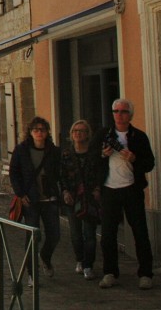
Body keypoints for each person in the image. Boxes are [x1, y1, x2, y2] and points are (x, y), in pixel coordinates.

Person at [92, 98, 156, 290]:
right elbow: (91, 158)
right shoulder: (103, 134)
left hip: (132, 189)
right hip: (109, 190)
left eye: (123, 111)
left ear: (130, 115)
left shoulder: (139, 136)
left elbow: (150, 163)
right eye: (116, 111)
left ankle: (145, 274)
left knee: (140, 232)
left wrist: (135, 158)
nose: (119, 115)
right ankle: (110, 272)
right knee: (108, 234)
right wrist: (103, 154)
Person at [9, 116, 62, 280]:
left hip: (49, 198)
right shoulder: (21, 150)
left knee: (54, 234)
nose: (39, 133)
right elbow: (14, 172)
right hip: (30, 199)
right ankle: (32, 273)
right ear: (30, 132)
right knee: (32, 236)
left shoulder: (53, 151)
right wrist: (20, 193)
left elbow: (60, 172)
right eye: (36, 130)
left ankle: (45, 257)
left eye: (42, 130)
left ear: (47, 132)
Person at [61, 119, 100, 280]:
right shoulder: (66, 154)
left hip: (90, 197)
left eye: (82, 131)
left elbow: (100, 172)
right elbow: (61, 175)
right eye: (75, 130)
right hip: (72, 198)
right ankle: (79, 259)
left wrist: (98, 189)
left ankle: (88, 265)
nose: (78, 133)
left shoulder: (94, 153)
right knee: (76, 234)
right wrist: (64, 192)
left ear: (87, 134)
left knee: (90, 234)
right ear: (71, 134)